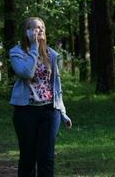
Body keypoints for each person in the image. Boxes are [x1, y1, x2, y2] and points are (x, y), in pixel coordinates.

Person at [9, 17, 72, 177]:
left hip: (50, 111)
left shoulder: (51, 54)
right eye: (36, 28)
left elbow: (56, 86)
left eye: (42, 27)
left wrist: (63, 112)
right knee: (28, 157)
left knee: (46, 157)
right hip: (26, 112)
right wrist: (35, 47)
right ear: (27, 32)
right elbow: (26, 73)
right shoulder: (17, 52)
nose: (40, 30)